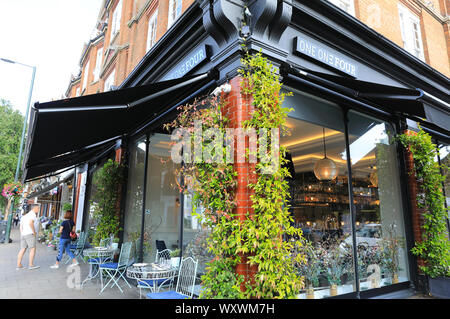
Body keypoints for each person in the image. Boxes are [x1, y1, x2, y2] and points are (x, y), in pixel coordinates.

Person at [16, 204, 40, 270]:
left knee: (22, 249)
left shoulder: (25, 216)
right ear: (34, 208)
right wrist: (34, 232)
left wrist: (22, 233)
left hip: (23, 234)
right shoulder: (33, 215)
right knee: (32, 249)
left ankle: (19, 264)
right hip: (30, 234)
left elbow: (21, 226)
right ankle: (31, 265)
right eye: (38, 208)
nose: (38, 210)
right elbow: (30, 223)